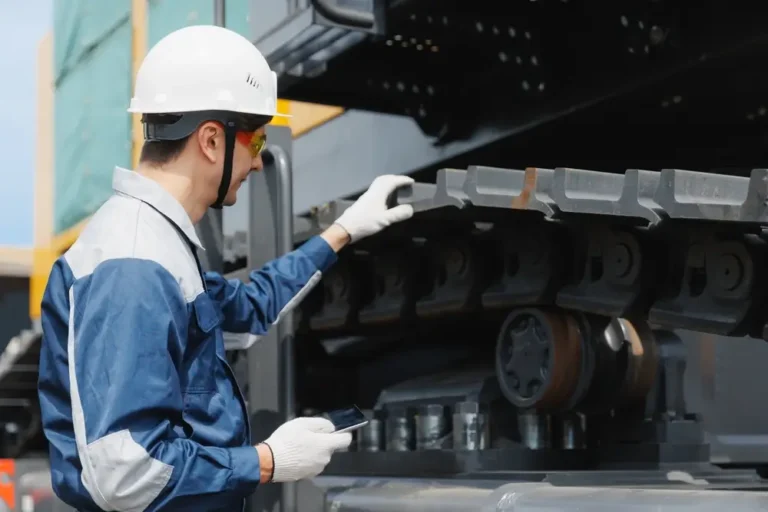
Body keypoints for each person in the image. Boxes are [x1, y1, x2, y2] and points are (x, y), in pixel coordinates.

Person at [37, 25, 414, 512]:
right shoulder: (133, 265)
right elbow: (125, 472)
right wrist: (267, 461)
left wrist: (344, 230)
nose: (257, 164)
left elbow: (250, 306)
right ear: (212, 141)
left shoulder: (158, 245)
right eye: (255, 144)